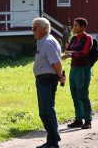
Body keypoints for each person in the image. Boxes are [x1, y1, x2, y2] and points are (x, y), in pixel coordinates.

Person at [32, 17, 66, 148]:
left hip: (47, 79)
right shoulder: (43, 41)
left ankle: (54, 141)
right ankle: (51, 140)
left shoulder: (47, 42)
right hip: (43, 79)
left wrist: (60, 76)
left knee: (47, 110)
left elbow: (56, 62)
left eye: (34, 28)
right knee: (44, 111)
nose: (32, 31)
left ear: (42, 29)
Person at [62, 17, 93, 129]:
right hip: (74, 69)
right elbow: (67, 50)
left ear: (83, 27)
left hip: (83, 69)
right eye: (73, 25)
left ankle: (88, 120)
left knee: (83, 95)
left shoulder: (88, 38)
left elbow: (84, 53)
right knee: (74, 94)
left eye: (76, 25)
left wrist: (71, 53)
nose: (73, 27)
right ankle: (78, 119)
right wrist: (72, 53)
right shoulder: (74, 38)